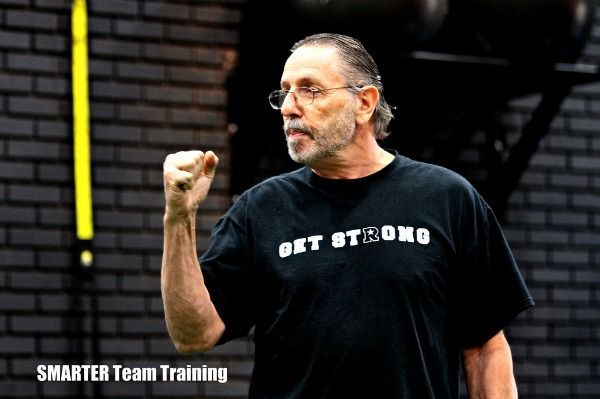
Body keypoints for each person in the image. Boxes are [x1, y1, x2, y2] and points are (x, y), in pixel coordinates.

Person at [161, 33, 534, 398]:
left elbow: (485, 349)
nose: (290, 106)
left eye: (310, 90)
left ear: (365, 103)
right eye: (285, 92)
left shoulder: (447, 198)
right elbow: (194, 335)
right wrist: (179, 217)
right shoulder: (258, 210)